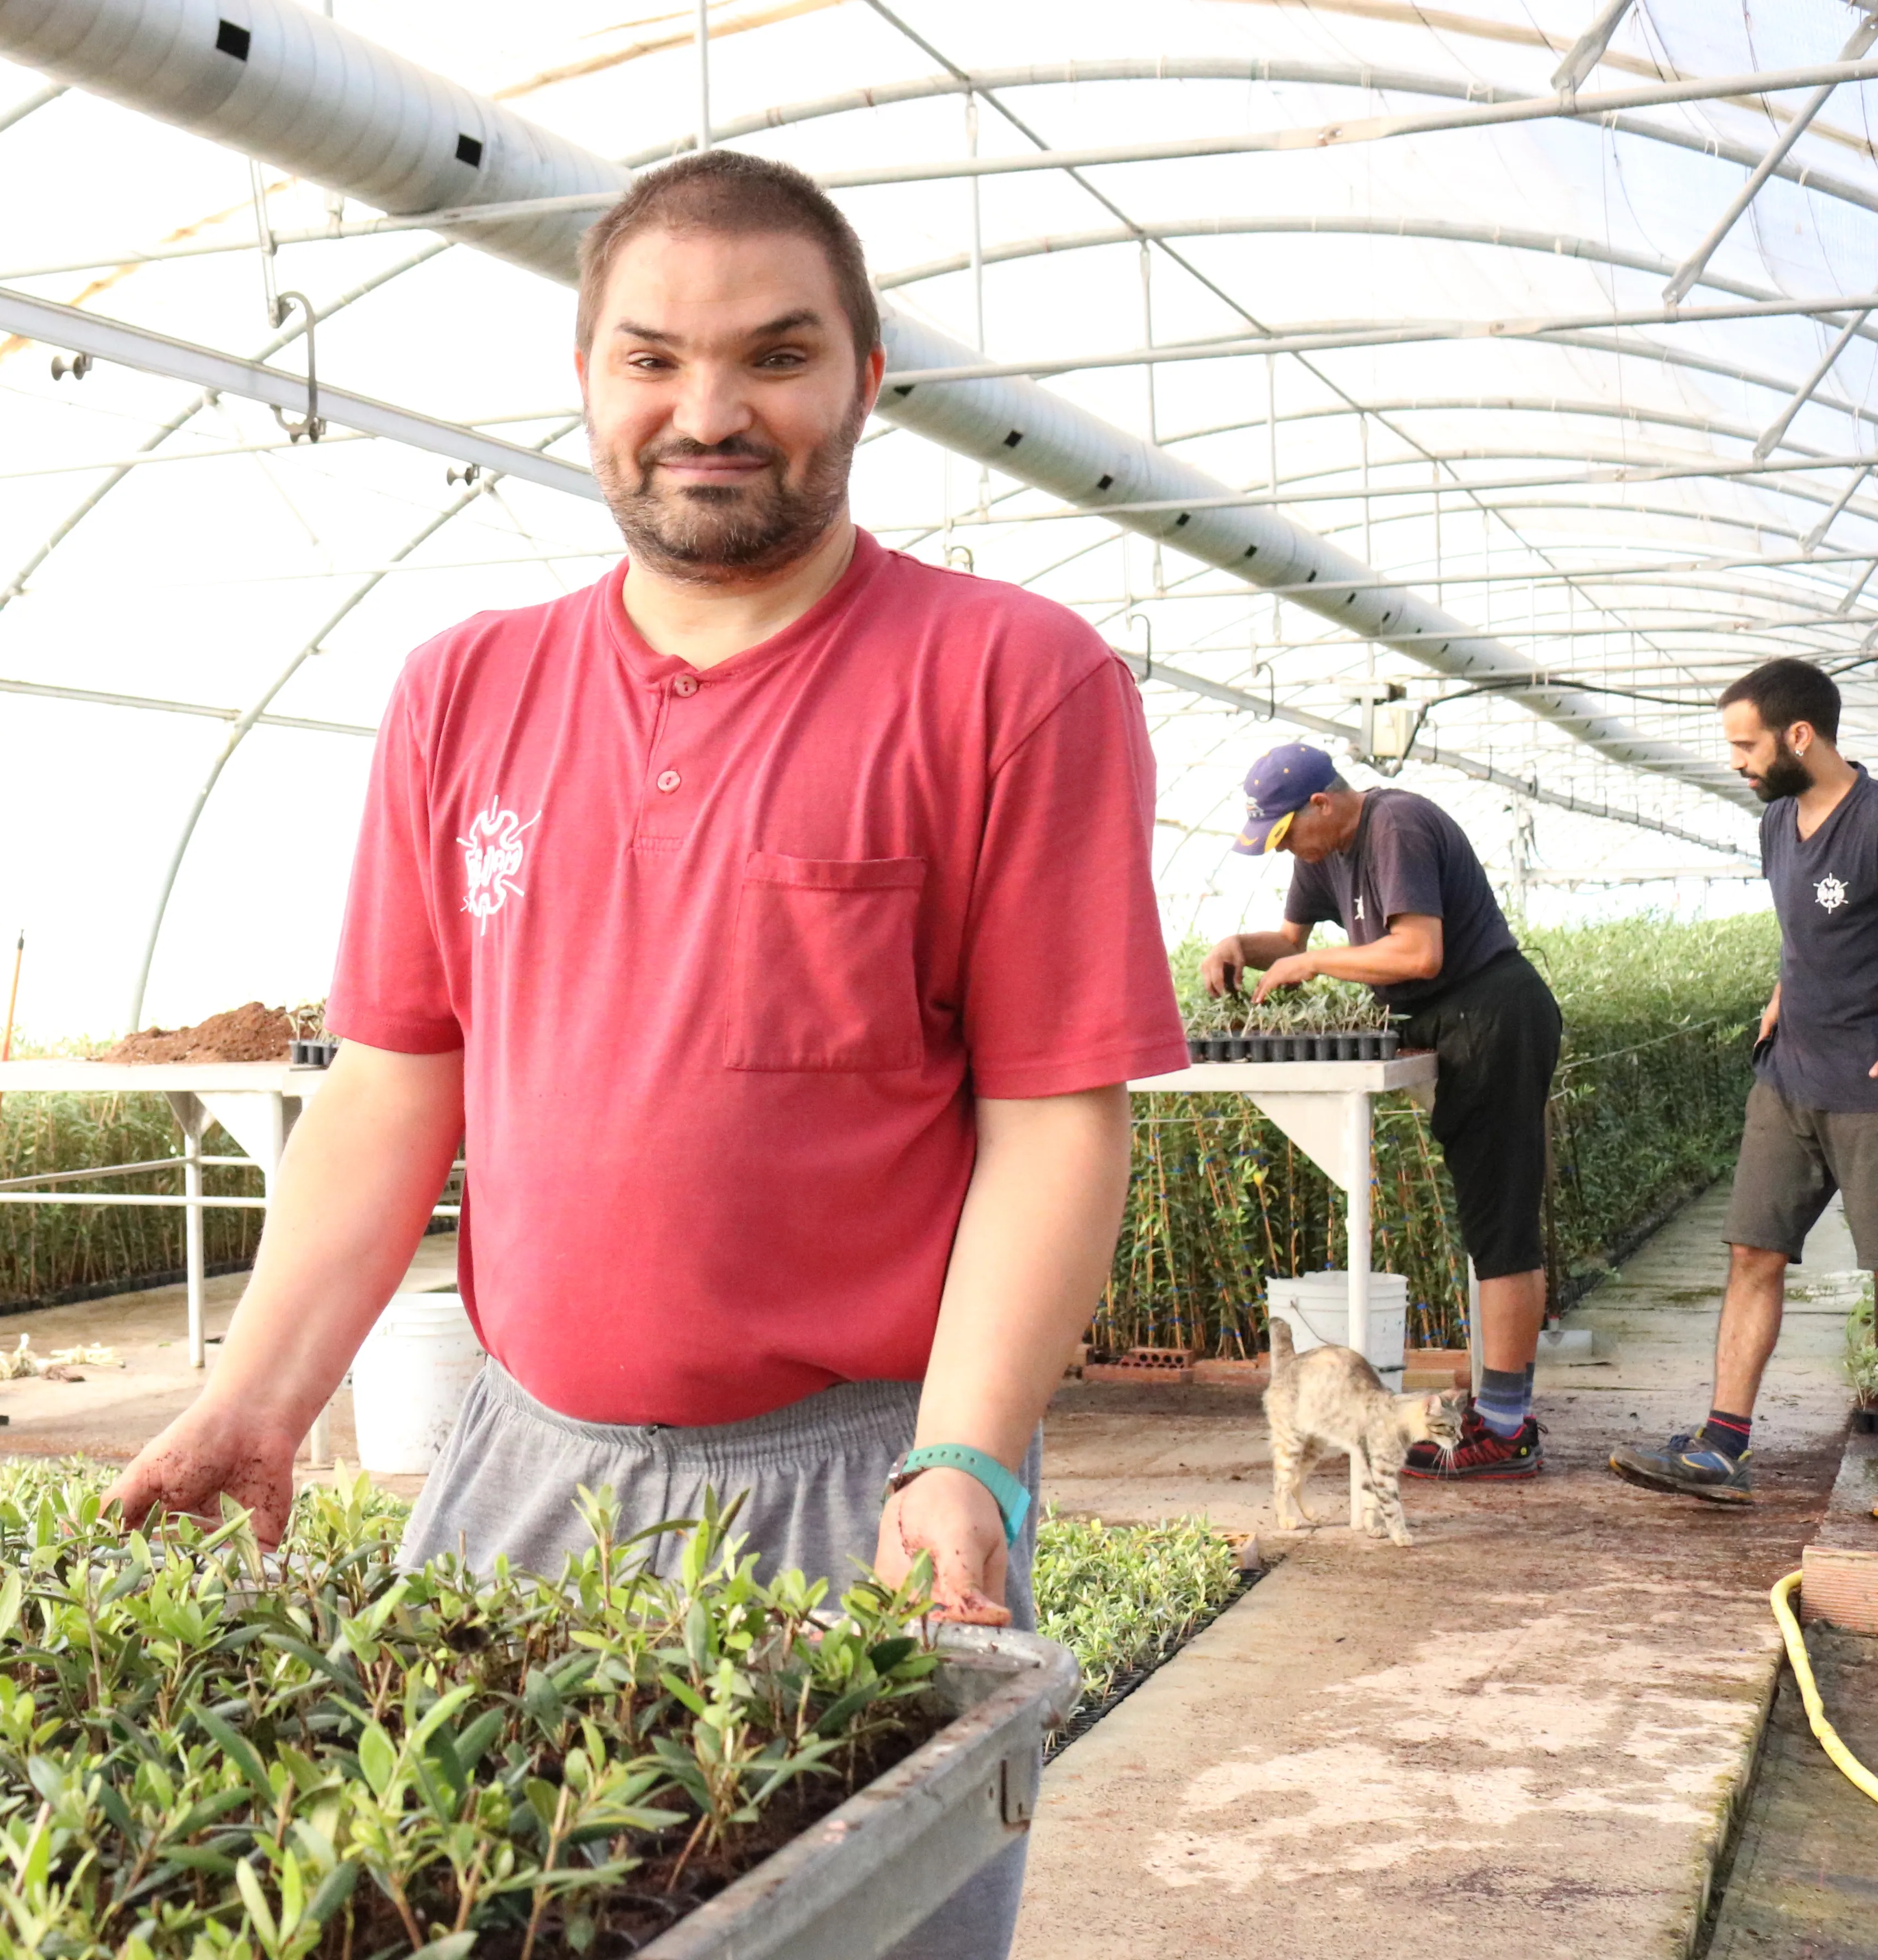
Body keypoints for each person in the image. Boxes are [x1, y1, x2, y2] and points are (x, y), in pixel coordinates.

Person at [101, 150, 1184, 1960]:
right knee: (480, 1911)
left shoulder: (1014, 678)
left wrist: (968, 1462)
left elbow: (1053, 1122)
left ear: (866, 378)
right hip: (519, 1471)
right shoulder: (465, 688)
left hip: (864, 1480)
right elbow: (395, 1080)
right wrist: (257, 1397)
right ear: (589, 378)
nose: (710, 412)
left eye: (776, 355)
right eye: (652, 359)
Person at [1201, 745, 1563, 1479]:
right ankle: (1499, 1413)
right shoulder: (1322, 850)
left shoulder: (1396, 825)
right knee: (1489, 1215)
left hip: (1494, 1013)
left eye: (1285, 834)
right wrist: (1240, 943)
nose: (1287, 852)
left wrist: (1315, 965)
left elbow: (1419, 951)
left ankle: (1506, 1427)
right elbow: (1292, 941)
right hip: (1446, 1022)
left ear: (1323, 807)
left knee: (1500, 1223)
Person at [1611, 657, 1874, 1503]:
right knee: (1753, 1252)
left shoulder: (1876, 821)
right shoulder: (1775, 826)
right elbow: (1809, 937)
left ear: (1800, 735)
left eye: (1745, 744)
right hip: (1789, 1077)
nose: (1736, 761)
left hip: (1868, 1092)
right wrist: (1781, 991)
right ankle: (1721, 1446)